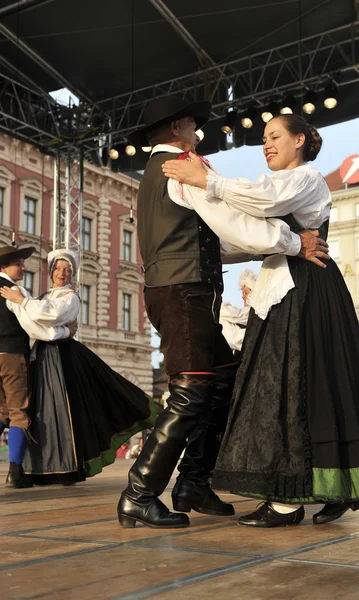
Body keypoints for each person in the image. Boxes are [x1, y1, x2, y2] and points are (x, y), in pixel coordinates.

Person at [162, 113, 359, 527]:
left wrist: (207, 181)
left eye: (274, 136)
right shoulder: (281, 185)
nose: (266, 144)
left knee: (294, 386)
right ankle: (334, 487)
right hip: (286, 285)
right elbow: (246, 234)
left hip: (307, 289)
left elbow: (262, 202)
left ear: (301, 140)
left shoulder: (305, 178)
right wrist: (190, 219)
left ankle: (288, 502)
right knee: (307, 388)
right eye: (263, 139)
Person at [117, 95, 329, 530]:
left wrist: (266, 244)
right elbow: (231, 223)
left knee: (225, 378)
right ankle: (139, 492)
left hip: (181, 289)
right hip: (183, 293)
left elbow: (214, 240)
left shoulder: (161, 171)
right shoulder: (181, 168)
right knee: (192, 391)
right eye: (193, 125)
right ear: (177, 127)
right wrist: (294, 243)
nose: (199, 133)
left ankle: (195, 481)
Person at [0, 248, 157, 485]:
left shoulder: (69, 297)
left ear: (72, 275)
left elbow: (47, 319)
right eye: (58, 269)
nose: (62, 273)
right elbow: (37, 326)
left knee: (61, 411)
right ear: (51, 271)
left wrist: (36, 312)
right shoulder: (36, 296)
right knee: (35, 412)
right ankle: (33, 468)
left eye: (67, 270)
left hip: (61, 358)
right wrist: (61, 329)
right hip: (38, 356)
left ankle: (62, 467)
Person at [0, 244, 35, 488]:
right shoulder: (13, 291)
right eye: (19, 263)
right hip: (12, 355)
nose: (23, 266)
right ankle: (15, 471)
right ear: (5, 266)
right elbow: (31, 322)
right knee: (18, 413)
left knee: (1, 411)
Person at [219, 269, 257, 357]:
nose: (242, 296)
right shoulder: (223, 312)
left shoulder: (258, 313)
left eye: (246, 293)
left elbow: (239, 315)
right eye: (242, 293)